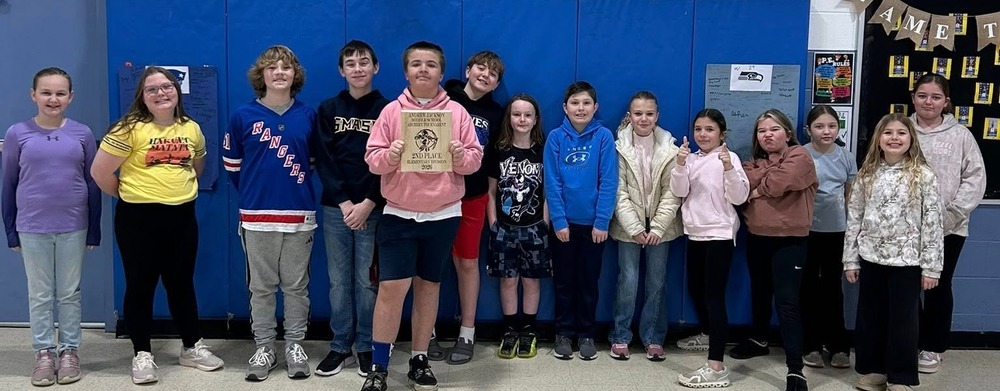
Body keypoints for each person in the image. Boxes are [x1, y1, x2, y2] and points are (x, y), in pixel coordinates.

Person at [360, 41, 482, 391]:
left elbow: (474, 161)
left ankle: (419, 360)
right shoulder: (390, 112)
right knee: (391, 288)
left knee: (429, 287)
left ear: (441, 73)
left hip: (443, 215)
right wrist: (392, 155)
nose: (423, 69)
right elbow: (373, 160)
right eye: (416, 64)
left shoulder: (457, 113)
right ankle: (379, 367)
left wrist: (460, 155)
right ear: (406, 71)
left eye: (430, 64)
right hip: (398, 213)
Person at [90, 66, 223, 384]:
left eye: (167, 87)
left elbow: (198, 166)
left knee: (181, 283)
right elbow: (100, 173)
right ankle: (142, 353)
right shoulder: (128, 129)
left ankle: (191, 347)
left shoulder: (191, 128)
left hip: (181, 217)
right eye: (152, 89)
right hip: (138, 219)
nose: (161, 93)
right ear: (142, 97)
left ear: (177, 92)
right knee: (140, 285)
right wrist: (131, 195)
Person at [223, 45, 317, 381]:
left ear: (295, 75)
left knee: (296, 287)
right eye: (272, 68)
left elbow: (312, 163)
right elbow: (233, 167)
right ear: (261, 75)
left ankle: (294, 345)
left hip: (299, 217)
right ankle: (264, 347)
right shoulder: (243, 116)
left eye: (286, 68)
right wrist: (256, 192)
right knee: (261, 288)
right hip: (257, 217)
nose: (279, 73)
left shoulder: (307, 116)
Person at [2, 67, 101, 386]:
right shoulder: (18, 133)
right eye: (46, 92)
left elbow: (93, 181)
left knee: (69, 293)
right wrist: (10, 228)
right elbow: (8, 183)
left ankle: (69, 350)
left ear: (70, 97)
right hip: (32, 226)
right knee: (41, 294)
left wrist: (94, 227)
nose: (53, 99)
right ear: (33, 95)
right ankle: (44, 352)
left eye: (60, 93)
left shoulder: (83, 133)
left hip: (74, 224)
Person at [845, 113, 943, 391]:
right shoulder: (867, 174)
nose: (894, 138)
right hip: (871, 257)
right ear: (878, 139)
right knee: (870, 317)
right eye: (888, 133)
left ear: (911, 140)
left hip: (908, 261)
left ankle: (900, 376)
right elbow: (855, 217)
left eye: (901, 133)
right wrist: (850, 259)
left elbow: (933, 222)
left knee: (903, 321)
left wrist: (931, 267)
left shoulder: (924, 176)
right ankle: (875, 370)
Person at [314, 40, 389, 378]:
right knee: (338, 281)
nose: (358, 68)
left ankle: (365, 345)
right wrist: (346, 203)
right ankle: (340, 344)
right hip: (336, 209)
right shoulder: (328, 109)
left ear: (376, 67)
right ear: (341, 71)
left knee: (366, 280)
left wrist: (368, 202)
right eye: (350, 63)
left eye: (364, 62)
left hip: (374, 207)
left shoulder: (388, 110)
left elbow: (392, 164)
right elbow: (325, 161)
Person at [732, 109, 817, 391]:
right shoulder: (751, 163)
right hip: (757, 235)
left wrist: (760, 185)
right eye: (762, 131)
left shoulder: (800, 156)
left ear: (788, 133)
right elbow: (743, 187)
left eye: (774, 129)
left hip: (790, 240)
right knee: (760, 290)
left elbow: (780, 181)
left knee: (787, 301)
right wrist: (763, 180)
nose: (768, 134)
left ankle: (795, 369)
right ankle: (759, 339)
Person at [908, 74, 986, 374]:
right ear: (913, 97)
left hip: (948, 227)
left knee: (937, 286)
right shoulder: (901, 130)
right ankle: (909, 341)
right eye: (923, 95)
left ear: (946, 102)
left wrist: (952, 213)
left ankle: (933, 346)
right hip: (905, 227)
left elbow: (975, 177)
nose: (928, 102)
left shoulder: (960, 135)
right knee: (905, 286)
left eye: (936, 97)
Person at [431, 50, 505, 365]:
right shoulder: (444, 98)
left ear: (497, 83)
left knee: (467, 263)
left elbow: (492, 162)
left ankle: (467, 331)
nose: (485, 75)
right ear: (468, 70)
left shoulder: (497, 113)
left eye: (493, 73)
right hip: (436, 194)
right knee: (431, 265)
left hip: (472, 196)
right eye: (481, 68)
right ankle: (428, 332)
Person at [672, 109, 749, 388]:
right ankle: (706, 333)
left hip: (720, 235)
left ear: (722, 134)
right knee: (696, 288)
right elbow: (679, 191)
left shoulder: (730, 159)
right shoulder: (690, 159)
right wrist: (680, 165)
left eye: (710, 130)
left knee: (715, 297)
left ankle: (716, 366)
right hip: (694, 233)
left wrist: (728, 167)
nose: (703, 135)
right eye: (699, 129)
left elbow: (740, 196)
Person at [544, 81, 618, 361]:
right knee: (563, 281)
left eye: (586, 103)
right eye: (575, 103)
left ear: (595, 107)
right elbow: (552, 182)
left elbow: (609, 181)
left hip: (594, 227)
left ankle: (586, 333)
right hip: (563, 226)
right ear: (565, 107)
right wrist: (559, 221)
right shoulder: (556, 137)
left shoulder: (603, 137)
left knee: (589, 281)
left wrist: (602, 221)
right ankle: (563, 332)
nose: (580, 108)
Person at [607, 91, 682, 362]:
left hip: (661, 230)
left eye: (649, 113)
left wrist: (658, 227)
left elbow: (672, 192)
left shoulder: (670, 149)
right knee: (627, 281)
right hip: (629, 228)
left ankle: (653, 337)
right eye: (638, 113)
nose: (643, 118)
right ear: (630, 115)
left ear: (657, 116)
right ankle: (620, 335)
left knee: (656, 283)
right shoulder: (618, 148)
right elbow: (617, 192)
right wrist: (634, 227)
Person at [485, 93, 549, 360]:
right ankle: (510, 329)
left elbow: (549, 191)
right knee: (508, 280)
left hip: (535, 227)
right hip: (504, 227)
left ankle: (529, 330)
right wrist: (493, 223)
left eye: (527, 115)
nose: (522, 119)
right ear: (509, 118)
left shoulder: (544, 149)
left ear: (535, 119)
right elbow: (490, 191)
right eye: (516, 114)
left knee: (531, 280)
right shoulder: (498, 150)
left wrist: (545, 222)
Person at [800, 105, 856, 369]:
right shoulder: (800, 155)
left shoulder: (846, 156)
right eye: (819, 126)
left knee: (833, 290)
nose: (826, 131)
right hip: (807, 231)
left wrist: (852, 230)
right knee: (808, 287)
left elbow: (850, 195)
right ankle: (810, 345)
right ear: (808, 129)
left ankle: (837, 346)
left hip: (837, 232)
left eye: (832, 126)